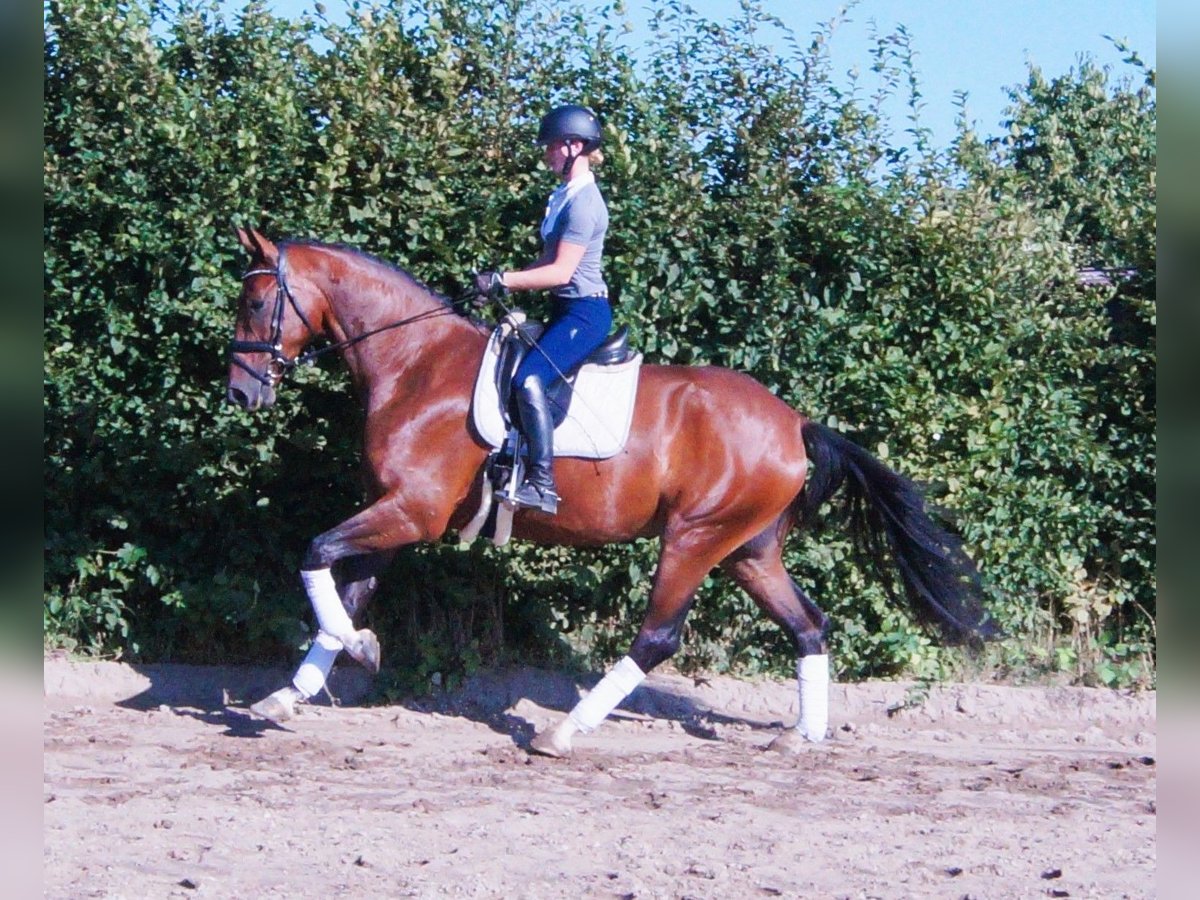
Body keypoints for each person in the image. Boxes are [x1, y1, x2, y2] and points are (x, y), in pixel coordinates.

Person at [475, 104, 613, 515]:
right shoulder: (563, 196)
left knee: (529, 380)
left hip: (584, 315)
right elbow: (543, 263)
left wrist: (504, 279)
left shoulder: (585, 203)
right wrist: (497, 281)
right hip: (564, 309)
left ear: (575, 146)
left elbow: (560, 271)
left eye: (552, 146)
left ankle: (542, 484)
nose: (547, 154)